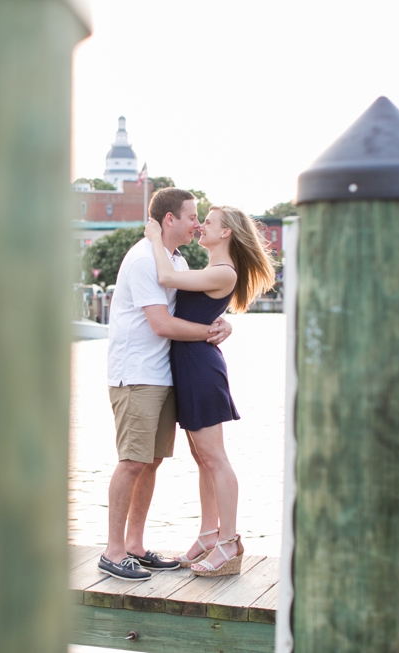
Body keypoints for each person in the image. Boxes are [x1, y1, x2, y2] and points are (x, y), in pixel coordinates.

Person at [98, 188, 233, 582]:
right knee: (132, 461)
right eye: (192, 216)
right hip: (136, 374)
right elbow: (161, 324)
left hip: (163, 374)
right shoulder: (143, 258)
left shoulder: (174, 258)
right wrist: (210, 331)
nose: (197, 223)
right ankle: (113, 550)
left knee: (152, 462)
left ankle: (136, 546)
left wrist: (224, 322)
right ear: (169, 219)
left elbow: (203, 299)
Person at [143, 205, 275, 576]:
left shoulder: (222, 271)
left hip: (200, 367)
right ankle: (208, 533)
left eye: (209, 222)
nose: (201, 226)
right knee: (203, 457)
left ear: (226, 233)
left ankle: (229, 541)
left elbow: (166, 276)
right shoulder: (212, 270)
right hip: (189, 364)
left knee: (214, 457)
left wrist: (155, 237)